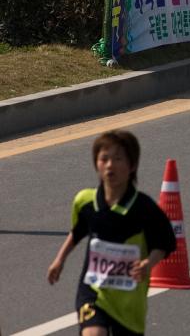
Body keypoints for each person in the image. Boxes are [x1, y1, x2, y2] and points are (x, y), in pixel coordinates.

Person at [47, 130, 176, 336]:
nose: (110, 165)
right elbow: (78, 231)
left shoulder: (144, 208)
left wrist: (147, 264)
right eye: (104, 159)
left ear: (132, 166)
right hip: (93, 290)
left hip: (128, 301)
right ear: (96, 164)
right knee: (93, 333)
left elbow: (164, 244)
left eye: (118, 159)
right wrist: (59, 260)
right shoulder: (85, 201)